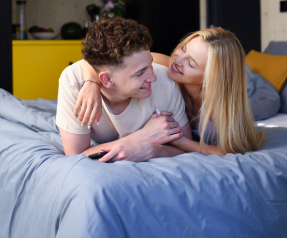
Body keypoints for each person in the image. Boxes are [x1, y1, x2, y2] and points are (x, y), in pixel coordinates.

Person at [74, 27, 264, 155]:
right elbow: (97, 58)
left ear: (210, 79)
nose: (177, 60)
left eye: (190, 63)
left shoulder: (217, 107)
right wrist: (91, 83)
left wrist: (182, 142)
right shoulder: (161, 64)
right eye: (183, 48)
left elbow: (235, 149)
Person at [56, 18, 192, 162]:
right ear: (107, 80)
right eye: (140, 73)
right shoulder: (74, 83)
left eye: (150, 64)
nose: (153, 77)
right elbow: (75, 157)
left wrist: (152, 150)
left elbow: (186, 148)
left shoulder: (165, 80)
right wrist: (141, 137)